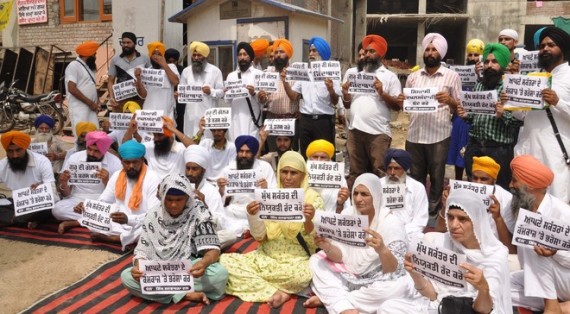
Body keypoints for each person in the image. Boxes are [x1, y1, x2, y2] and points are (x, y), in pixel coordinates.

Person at [220, 151, 324, 308]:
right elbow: (260, 237)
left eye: (293, 173)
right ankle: (277, 292)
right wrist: (253, 216)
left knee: (302, 276)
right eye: (284, 171)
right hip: (265, 256)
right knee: (224, 262)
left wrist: (309, 220)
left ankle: (264, 286)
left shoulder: (312, 199)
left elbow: (316, 243)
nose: (288, 177)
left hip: (294, 262)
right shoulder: (270, 196)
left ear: (303, 175)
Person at [305, 173, 414, 313]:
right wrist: (327, 247)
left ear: (376, 195)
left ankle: (337, 302)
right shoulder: (348, 214)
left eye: (364, 194)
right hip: (349, 274)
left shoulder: (391, 222)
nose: (358, 199)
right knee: (316, 261)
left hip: (378, 280)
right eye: (355, 193)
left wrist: (382, 250)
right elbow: (340, 257)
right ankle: (344, 304)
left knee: (400, 287)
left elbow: (394, 270)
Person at [120, 174, 228, 304]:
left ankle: (169, 293)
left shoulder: (199, 212)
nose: (173, 205)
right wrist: (138, 268)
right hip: (159, 269)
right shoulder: (153, 215)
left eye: (179, 200)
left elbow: (212, 249)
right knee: (127, 277)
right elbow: (142, 251)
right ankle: (184, 294)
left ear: (187, 197)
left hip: (189, 266)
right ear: (162, 197)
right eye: (169, 199)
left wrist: (204, 263)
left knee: (219, 275)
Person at [404, 189, 512, 314]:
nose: (454, 225)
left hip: (471, 311)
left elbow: (485, 310)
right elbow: (433, 296)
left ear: (476, 221)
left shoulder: (495, 254)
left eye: (462, 219)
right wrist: (415, 274)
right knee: (389, 307)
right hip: (439, 308)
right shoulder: (441, 242)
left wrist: (483, 288)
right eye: (450, 217)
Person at [400, 33, 461, 215]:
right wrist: (403, 99)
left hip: (439, 135)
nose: (430, 52)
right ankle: (416, 208)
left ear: (440, 53)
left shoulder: (452, 76)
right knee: (415, 175)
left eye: (434, 49)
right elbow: (406, 104)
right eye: (427, 49)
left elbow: (460, 108)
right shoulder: (413, 77)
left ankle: (434, 210)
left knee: (436, 175)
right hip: (415, 134)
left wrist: (449, 100)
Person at [513, 27, 570, 204]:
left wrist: (557, 102)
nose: (545, 49)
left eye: (551, 45)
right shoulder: (533, 77)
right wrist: (511, 103)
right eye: (542, 45)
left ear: (563, 48)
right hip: (529, 151)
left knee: (554, 205)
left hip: (554, 155)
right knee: (525, 204)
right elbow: (523, 116)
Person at [508, 155, 570, 313]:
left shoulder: (562, 214)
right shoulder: (519, 206)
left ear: (530, 186)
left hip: (565, 277)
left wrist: (555, 252)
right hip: (539, 277)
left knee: (533, 247)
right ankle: (562, 308)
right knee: (499, 286)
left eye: (515, 180)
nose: (510, 185)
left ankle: (552, 308)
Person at [73, 140, 161, 249]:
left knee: (155, 227)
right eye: (127, 163)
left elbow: (153, 214)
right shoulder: (117, 176)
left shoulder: (153, 178)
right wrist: (87, 207)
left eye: (135, 162)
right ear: (122, 161)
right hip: (118, 222)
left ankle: (114, 238)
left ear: (142, 160)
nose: (131, 166)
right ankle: (124, 237)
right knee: (95, 218)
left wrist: (128, 219)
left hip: (139, 223)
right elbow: (103, 201)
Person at [459, 43, 523, 190]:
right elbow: (472, 118)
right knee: (475, 188)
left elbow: (519, 122)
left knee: (498, 190)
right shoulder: (479, 86)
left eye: (494, 62)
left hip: (498, 150)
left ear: (503, 64)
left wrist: (503, 115)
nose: (489, 65)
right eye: (487, 62)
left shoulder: (510, 87)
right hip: (475, 147)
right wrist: (464, 115)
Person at [341, 35, 401, 187]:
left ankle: (380, 206)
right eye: (366, 51)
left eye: (372, 51)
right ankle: (353, 204)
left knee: (379, 171)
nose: (367, 55)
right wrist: (346, 93)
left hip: (378, 133)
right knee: (355, 172)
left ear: (381, 54)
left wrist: (382, 93)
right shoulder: (357, 76)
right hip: (355, 131)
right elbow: (347, 105)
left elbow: (397, 106)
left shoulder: (389, 77)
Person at [436, 156, 516, 252]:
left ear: (494, 181)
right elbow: (439, 231)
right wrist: (445, 206)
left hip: (491, 249)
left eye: (483, 179)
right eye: (475, 178)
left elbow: (510, 249)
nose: (478, 182)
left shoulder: (506, 199)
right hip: (462, 244)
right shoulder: (461, 192)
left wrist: (498, 218)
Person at [53, 131, 122, 233]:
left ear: (104, 150)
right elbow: (66, 193)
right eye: (89, 149)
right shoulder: (75, 158)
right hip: (76, 198)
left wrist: (106, 181)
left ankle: (76, 222)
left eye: (96, 151)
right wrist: (63, 182)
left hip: (101, 201)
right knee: (57, 210)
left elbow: (117, 195)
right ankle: (94, 220)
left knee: (118, 212)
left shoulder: (115, 162)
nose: (91, 154)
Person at [283, 36, 341, 157]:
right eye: (310, 50)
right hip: (306, 121)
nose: (311, 53)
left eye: (314, 51)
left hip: (323, 121)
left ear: (323, 53)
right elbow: (294, 96)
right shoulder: (305, 73)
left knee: (325, 155)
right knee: (306, 155)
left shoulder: (332, 73)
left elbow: (335, 101)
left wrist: (330, 89)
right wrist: (285, 82)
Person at [216, 135, 276, 236]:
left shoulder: (265, 167)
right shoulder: (228, 169)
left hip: (256, 211)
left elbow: (274, 195)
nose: (243, 155)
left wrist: (265, 189)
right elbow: (221, 199)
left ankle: (249, 230)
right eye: (241, 151)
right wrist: (221, 188)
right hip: (233, 213)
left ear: (253, 153)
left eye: (247, 152)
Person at [184, 145, 236, 249]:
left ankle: (191, 248)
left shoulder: (211, 191)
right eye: (188, 168)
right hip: (181, 232)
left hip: (202, 234)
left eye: (194, 169)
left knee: (230, 236)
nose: (190, 173)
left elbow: (221, 225)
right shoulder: (179, 185)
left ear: (203, 170)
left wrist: (205, 207)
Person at [0, 131, 56, 228]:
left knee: (50, 208)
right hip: (13, 203)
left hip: (35, 203)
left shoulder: (42, 161)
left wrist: (41, 189)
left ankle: (13, 219)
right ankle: (20, 220)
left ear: (25, 148)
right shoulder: (2, 164)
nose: (15, 155)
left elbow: (52, 190)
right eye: (10, 151)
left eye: (18, 150)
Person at [446, 39, 483, 181]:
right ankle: (457, 181)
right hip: (459, 118)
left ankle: (472, 181)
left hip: (474, 119)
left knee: (471, 153)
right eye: (470, 55)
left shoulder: (485, 75)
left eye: (476, 55)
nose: (472, 58)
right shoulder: (458, 74)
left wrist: (480, 75)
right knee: (458, 151)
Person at [381, 148, 428, 242]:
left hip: (408, 235)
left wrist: (398, 234)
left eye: (397, 168)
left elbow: (420, 222)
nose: (392, 173)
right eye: (389, 168)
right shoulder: (378, 184)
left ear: (405, 169)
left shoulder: (417, 188)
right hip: (381, 234)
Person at [180, 41, 224, 140]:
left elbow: (221, 93)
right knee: (190, 141)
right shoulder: (186, 71)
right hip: (190, 116)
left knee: (207, 142)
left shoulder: (215, 71)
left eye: (199, 55)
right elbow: (182, 91)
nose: (196, 58)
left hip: (207, 116)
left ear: (205, 56)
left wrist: (211, 91)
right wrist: (178, 94)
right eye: (194, 55)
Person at [261, 38, 300, 152]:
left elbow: (294, 97)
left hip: (290, 120)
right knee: (273, 155)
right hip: (271, 119)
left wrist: (284, 81)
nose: (278, 55)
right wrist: (261, 97)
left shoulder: (295, 73)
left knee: (291, 155)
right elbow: (263, 100)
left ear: (288, 54)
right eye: (276, 52)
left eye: (281, 52)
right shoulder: (267, 73)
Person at [225, 42, 264, 140]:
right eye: (240, 55)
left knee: (251, 148)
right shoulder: (231, 76)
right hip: (235, 119)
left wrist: (254, 93)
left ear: (250, 57)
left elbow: (263, 100)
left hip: (252, 119)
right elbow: (227, 100)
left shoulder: (259, 74)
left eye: (245, 54)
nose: (242, 57)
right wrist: (227, 92)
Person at [107, 32, 151, 111]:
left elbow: (150, 79)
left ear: (134, 43)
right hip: (120, 101)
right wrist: (111, 97)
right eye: (123, 43)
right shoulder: (115, 60)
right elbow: (110, 80)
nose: (125, 45)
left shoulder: (144, 58)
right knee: (121, 123)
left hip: (140, 100)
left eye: (128, 42)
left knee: (138, 123)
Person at [136, 41, 180, 120]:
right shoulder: (146, 71)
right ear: (150, 56)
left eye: (159, 54)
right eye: (154, 54)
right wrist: (138, 79)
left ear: (163, 56)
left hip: (165, 114)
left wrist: (164, 64)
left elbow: (176, 82)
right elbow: (143, 95)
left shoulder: (171, 67)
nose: (156, 57)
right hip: (149, 115)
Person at [65, 41, 101, 135]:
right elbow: (71, 88)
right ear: (88, 54)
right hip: (79, 109)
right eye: (94, 54)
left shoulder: (89, 67)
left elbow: (92, 85)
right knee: (81, 136)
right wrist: (90, 103)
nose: (95, 56)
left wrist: (98, 101)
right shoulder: (73, 65)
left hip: (91, 108)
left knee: (94, 135)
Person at [306, 139, 350, 213]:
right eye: (315, 157)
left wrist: (340, 203)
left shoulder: (340, 179)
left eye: (323, 157)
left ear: (329, 159)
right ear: (310, 158)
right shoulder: (301, 175)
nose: (319, 161)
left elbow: (344, 212)